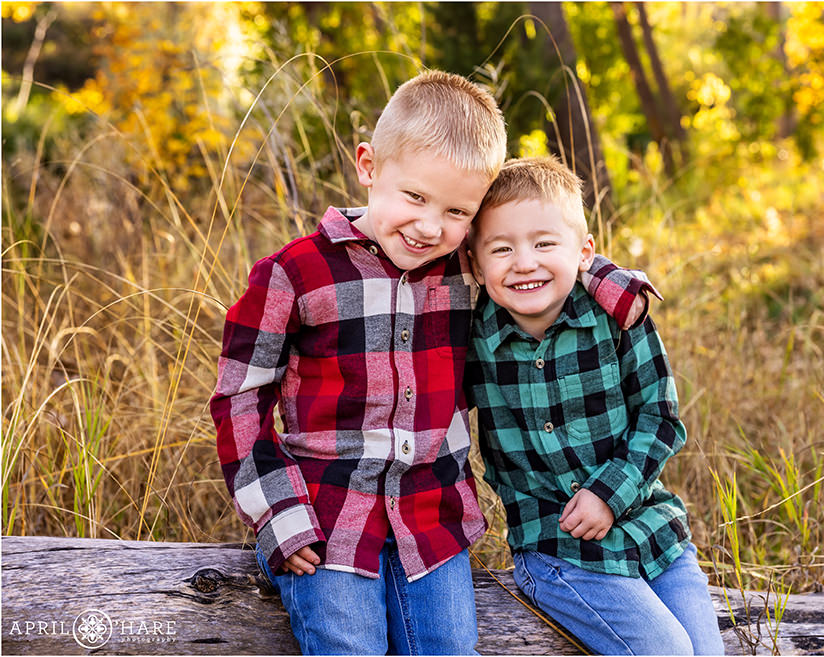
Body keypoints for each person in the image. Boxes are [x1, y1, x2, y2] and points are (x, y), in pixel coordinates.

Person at [210, 72, 654, 655]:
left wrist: (604, 277)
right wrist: (277, 513)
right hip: (325, 515)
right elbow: (240, 397)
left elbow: (540, 248)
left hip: (433, 517)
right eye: (414, 197)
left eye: (456, 211)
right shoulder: (293, 275)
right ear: (369, 166)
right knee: (349, 644)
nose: (428, 226)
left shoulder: (464, 271)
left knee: (449, 647)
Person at [465, 156, 725, 656]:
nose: (524, 262)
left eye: (544, 244)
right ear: (476, 264)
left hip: (652, 532)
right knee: (665, 650)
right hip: (557, 551)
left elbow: (661, 418)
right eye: (502, 249)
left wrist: (609, 493)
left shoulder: (618, 319)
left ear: (583, 251)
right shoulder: (474, 339)